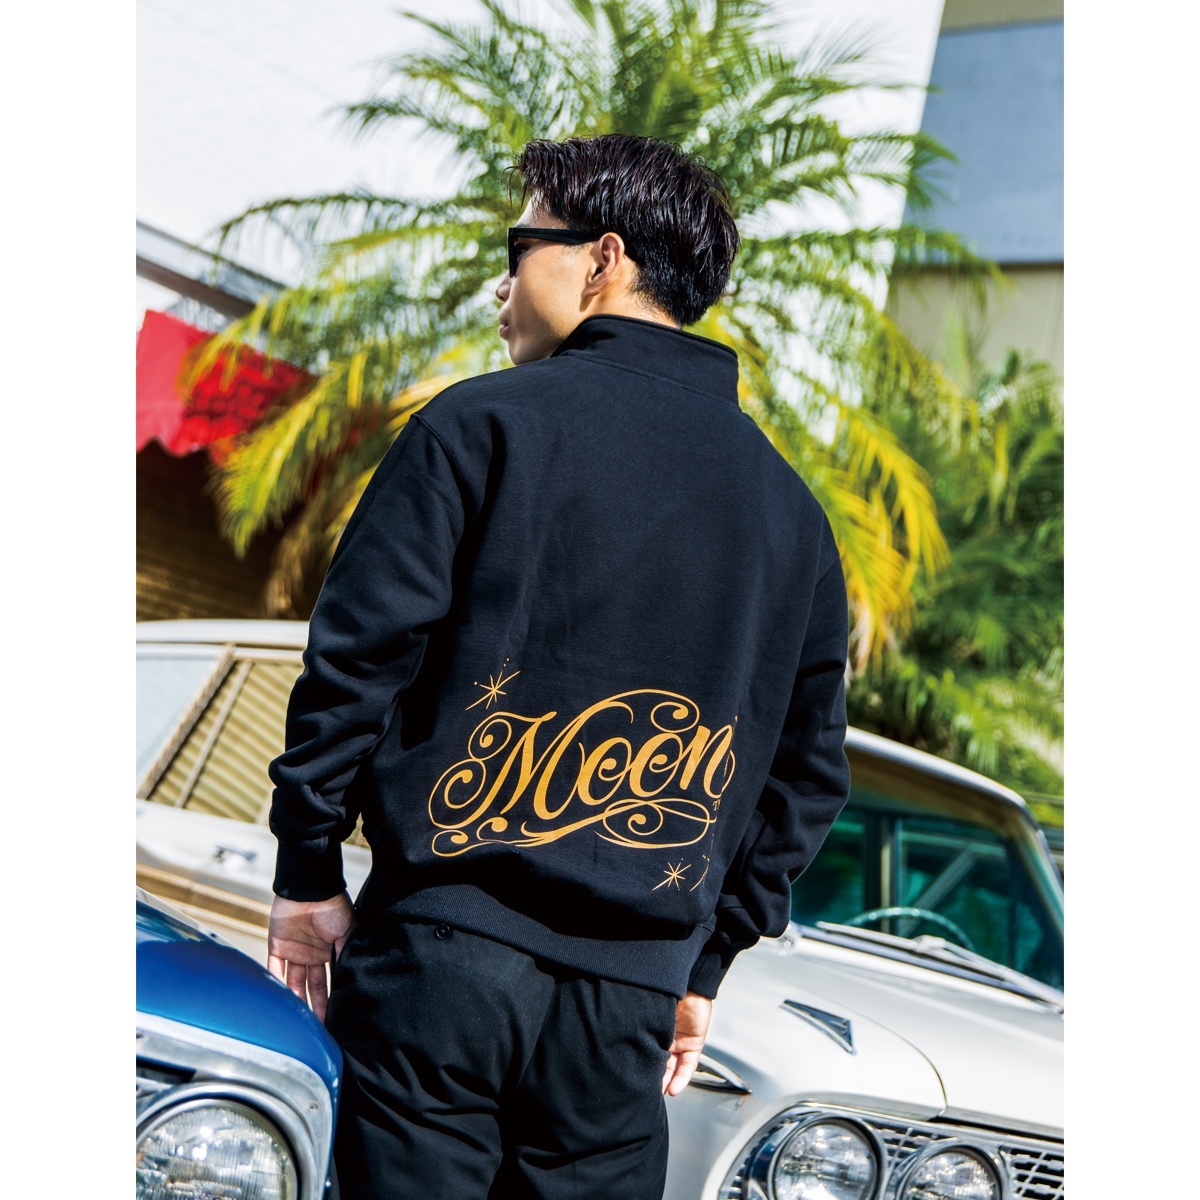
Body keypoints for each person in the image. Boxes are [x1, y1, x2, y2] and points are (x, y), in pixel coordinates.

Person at [265, 133, 851, 1200]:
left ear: (602, 259)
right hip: (627, 1007)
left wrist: (307, 872)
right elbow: (806, 780)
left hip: (437, 960)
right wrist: (702, 964)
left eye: (519, 246)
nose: (502, 285)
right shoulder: (793, 518)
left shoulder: (478, 425)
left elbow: (358, 661)